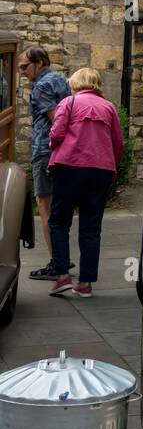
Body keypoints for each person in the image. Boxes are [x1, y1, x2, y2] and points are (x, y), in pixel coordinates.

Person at [47, 68, 124, 298]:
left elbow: (56, 134)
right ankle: (85, 283)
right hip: (100, 170)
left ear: (76, 83)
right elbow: (117, 143)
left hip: (69, 167)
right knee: (91, 228)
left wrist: (53, 145)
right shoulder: (109, 107)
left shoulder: (68, 103)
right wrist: (111, 165)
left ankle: (62, 275)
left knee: (59, 222)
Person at [17, 45, 71, 280]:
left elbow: (56, 121)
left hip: (45, 150)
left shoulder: (41, 86)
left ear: (39, 63)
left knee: (44, 206)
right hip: (63, 151)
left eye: (24, 66)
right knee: (58, 207)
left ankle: (56, 263)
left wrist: (52, 145)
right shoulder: (61, 80)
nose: (21, 71)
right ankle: (61, 258)